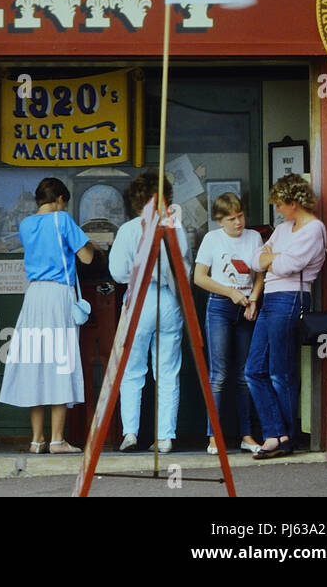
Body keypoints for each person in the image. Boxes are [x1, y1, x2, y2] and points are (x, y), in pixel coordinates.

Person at [0, 177, 96, 454]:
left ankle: (36, 439)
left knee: (35, 365)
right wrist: (91, 245)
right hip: (57, 297)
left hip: (34, 297)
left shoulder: (26, 224)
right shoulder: (62, 219)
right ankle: (57, 440)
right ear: (61, 199)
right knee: (60, 364)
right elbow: (86, 258)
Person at [108, 171, 190, 453]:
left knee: (131, 370)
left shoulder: (128, 229)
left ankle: (130, 432)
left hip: (138, 299)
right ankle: (165, 436)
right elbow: (182, 271)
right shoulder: (174, 227)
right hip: (167, 299)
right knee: (167, 371)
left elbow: (117, 272)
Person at [248, 174, 326, 459]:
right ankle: (276, 432)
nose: (278, 209)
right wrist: (272, 258)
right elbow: (256, 260)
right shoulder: (282, 229)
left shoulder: (314, 229)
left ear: (294, 202)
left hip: (291, 298)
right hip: (271, 298)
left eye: (281, 204)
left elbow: (288, 264)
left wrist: (273, 258)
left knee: (281, 372)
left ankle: (284, 438)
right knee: (254, 369)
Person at [192, 192, 263, 455]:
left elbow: (259, 274)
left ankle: (247, 435)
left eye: (241, 216)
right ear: (220, 221)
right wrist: (230, 292)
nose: (238, 222)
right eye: (232, 218)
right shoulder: (212, 239)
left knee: (245, 374)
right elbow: (200, 277)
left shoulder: (254, 237)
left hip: (246, 306)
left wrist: (253, 299)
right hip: (221, 306)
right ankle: (214, 437)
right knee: (219, 375)